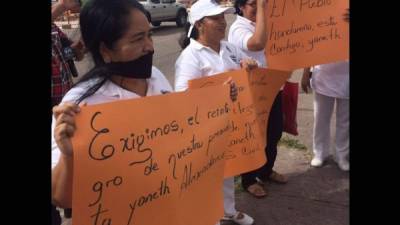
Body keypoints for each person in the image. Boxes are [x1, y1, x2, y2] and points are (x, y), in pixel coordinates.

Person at [51, 0, 174, 212]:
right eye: (138, 39)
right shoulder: (79, 106)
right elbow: (63, 199)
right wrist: (69, 156)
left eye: (150, 35)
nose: (150, 47)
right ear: (105, 50)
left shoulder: (156, 77)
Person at [175, 0, 258, 224]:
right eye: (216, 19)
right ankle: (210, 216)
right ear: (201, 24)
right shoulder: (190, 57)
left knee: (228, 168)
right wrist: (217, 93)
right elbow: (182, 97)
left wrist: (248, 67)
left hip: (232, 121)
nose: (223, 23)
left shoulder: (228, 47)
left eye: (223, 17)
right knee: (207, 175)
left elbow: (243, 69)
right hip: (205, 128)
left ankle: (228, 210)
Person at [227, 0, 287, 199]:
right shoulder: (238, 28)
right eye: (253, 3)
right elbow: (257, 43)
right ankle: (249, 179)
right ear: (241, 7)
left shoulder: (266, 22)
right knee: (253, 138)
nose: (258, 7)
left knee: (274, 133)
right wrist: (262, 8)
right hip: (252, 93)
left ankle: (266, 171)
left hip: (273, 88)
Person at [300, 10, 350, 171]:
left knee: (345, 120)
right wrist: (306, 71)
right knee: (321, 117)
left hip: (347, 72)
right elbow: (310, 42)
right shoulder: (321, 7)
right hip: (324, 72)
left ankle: (341, 154)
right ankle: (320, 152)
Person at [52, 0, 85, 107]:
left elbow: (72, 50)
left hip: (64, 99)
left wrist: (78, 49)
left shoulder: (54, 28)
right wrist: (62, 5)